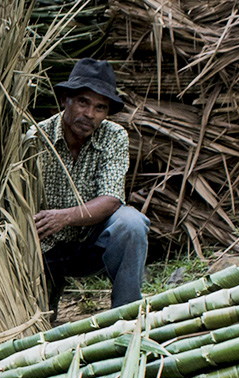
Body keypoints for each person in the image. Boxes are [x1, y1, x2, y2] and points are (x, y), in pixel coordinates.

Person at [32, 58, 150, 319]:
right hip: (42, 251)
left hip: (92, 245)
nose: (90, 114)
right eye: (83, 102)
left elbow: (111, 199)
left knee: (131, 223)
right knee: (42, 322)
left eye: (100, 107)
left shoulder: (114, 136)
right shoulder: (35, 139)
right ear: (66, 99)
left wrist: (63, 217)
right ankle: (46, 296)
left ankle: (126, 318)